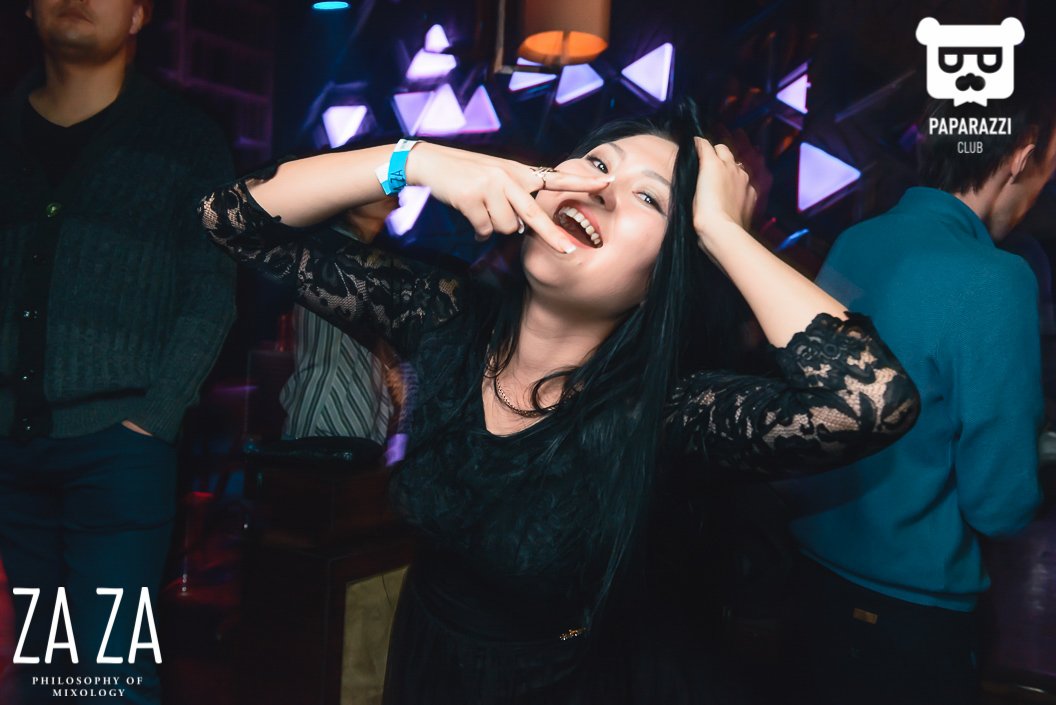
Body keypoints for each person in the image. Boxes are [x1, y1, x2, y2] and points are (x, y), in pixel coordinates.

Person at [199, 102, 920, 703]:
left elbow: (871, 401)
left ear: (664, 276)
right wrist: (415, 159)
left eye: (649, 198)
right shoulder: (444, 316)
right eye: (598, 164)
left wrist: (721, 230)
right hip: (425, 661)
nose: (603, 189)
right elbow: (229, 218)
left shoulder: (665, 411)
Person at [780, 85, 1056, 705]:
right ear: (1020, 155)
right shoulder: (997, 279)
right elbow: (999, 505)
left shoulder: (857, 241)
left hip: (811, 580)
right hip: (912, 612)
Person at [0, 1, 235, 702]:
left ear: (138, 16)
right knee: (42, 670)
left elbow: (211, 293)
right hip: (12, 447)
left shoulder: (186, 139)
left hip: (120, 449)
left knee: (112, 676)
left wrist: (152, 420)